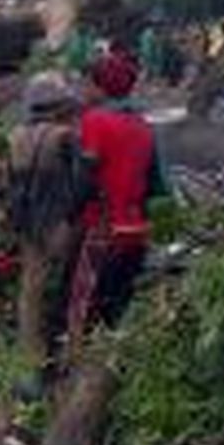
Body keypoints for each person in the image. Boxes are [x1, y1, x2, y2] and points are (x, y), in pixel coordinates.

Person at [67, 49, 168, 348]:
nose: (84, 89)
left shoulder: (95, 120)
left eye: (87, 83)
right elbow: (156, 187)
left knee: (83, 305)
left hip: (103, 229)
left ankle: (72, 364)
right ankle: (109, 357)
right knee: (117, 305)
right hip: (136, 232)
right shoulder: (143, 127)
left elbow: (86, 176)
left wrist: (69, 213)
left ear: (99, 87)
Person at [8, 73, 88, 373]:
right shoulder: (65, 137)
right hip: (57, 222)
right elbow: (79, 184)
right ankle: (65, 350)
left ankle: (29, 353)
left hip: (26, 222)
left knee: (31, 288)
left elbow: (11, 184)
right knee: (68, 284)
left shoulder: (15, 137)